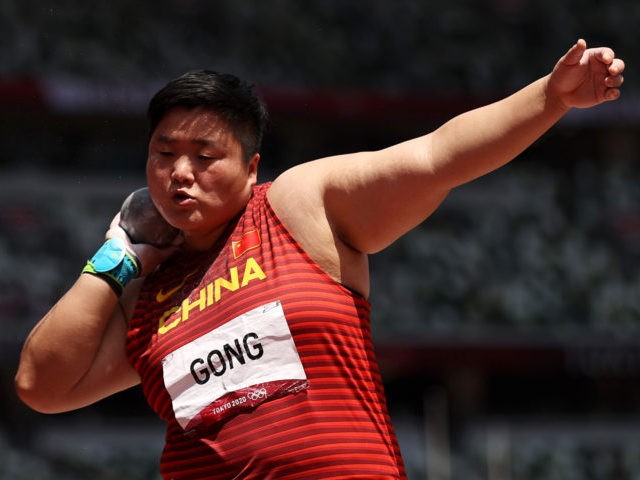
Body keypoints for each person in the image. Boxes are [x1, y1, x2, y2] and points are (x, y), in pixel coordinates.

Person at [15, 39, 624, 479]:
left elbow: (435, 158)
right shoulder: (149, 295)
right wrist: (119, 253)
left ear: (251, 167)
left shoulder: (296, 206)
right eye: (163, 153)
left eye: (205, 155)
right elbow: (40, 386)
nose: (180, 173)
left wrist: (550, 97)